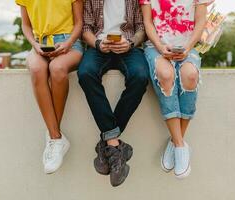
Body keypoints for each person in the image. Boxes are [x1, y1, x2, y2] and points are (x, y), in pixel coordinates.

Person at [78, 0, 149, 187]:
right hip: (99, 47)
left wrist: (131, 42)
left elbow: (142, 27)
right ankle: (116, 145)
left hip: (128, 48)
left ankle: (108, 142)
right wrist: (98, 43)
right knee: (85, 74)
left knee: (140, 76)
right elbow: (85, 28)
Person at [140, 0, 213, 178]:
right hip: (156, 48)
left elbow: (200, 22)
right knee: (165, 75)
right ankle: (180, 146)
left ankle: (175, 141)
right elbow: (147, 22)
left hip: (187, 49)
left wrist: (188, 48)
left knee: (190, 75)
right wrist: (159, 46)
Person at [16, 0, 83, 174]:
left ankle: (54, 137)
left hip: (69, 44)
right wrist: (34, 44)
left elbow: (79, 24)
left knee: (57, 68)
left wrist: (67, 44)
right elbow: (25, 24)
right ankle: (56, 138)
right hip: (39, 44)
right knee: (37, 69)